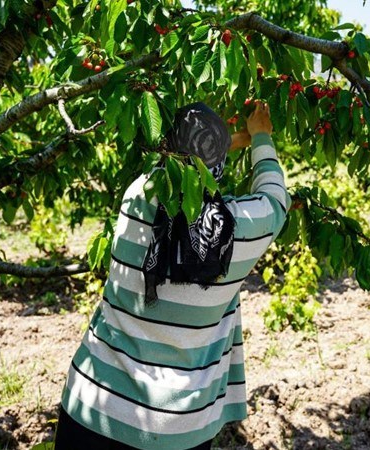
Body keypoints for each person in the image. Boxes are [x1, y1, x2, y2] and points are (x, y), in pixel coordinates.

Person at [54, 101, 290, 450]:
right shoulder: (239, 232)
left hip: (92, 406)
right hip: (177, 428)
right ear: (219, 166)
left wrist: (218, 140)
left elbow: (178, 176)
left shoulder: (137, 197)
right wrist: (260, 138)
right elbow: (275, 198)